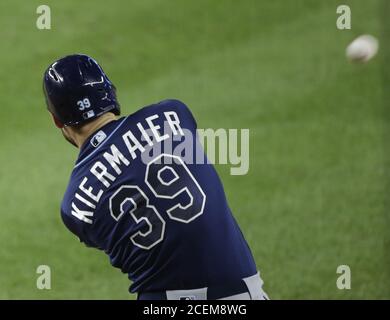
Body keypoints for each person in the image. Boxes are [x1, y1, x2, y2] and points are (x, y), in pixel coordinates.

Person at [43, 54, 268, 300]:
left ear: (57, 120)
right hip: (240, 293)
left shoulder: (74, 206)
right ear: (110, 94)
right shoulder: (174, 114)